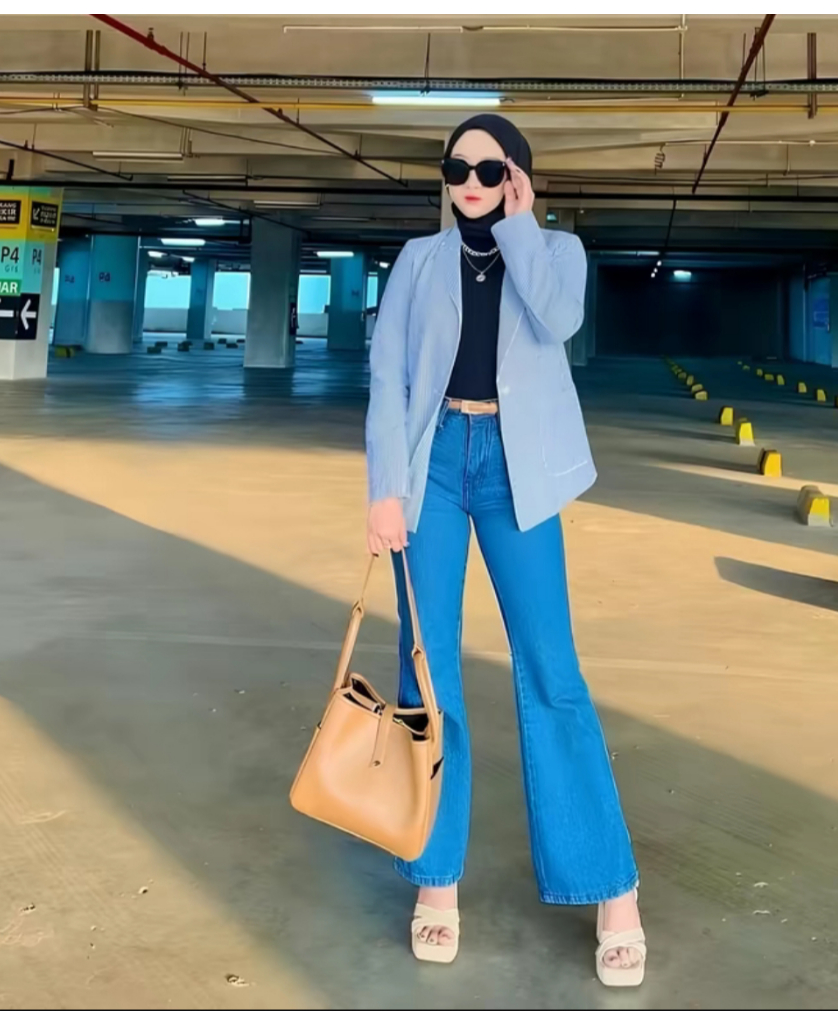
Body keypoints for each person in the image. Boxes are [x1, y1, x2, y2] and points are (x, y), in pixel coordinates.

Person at [364, 114, 645, 987]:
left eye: (491, 170)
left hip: (518, 467)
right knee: (426, 668)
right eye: (459, 169)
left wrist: (522, 228)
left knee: (552, 670)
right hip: (435, 463)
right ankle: (436, 878)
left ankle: (611, 886)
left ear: (519, 175)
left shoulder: (557, 252)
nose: (472, 184)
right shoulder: (419, 260)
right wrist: (385, 488)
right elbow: (387, 376)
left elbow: (558, 321)